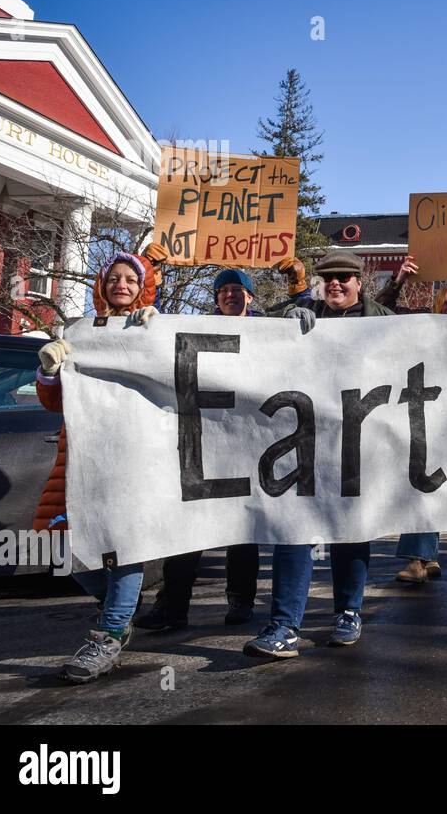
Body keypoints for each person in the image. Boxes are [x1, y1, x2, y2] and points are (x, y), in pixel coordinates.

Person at [136, 266, 305, 631]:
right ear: (216, 298)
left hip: (246, 439)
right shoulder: (195, 328)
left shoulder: (265, 329)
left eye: (238, 289)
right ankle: (173, 605)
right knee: (187, 524)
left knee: (241, 526)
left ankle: (240, 600)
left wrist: (298, 300)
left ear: (250, 297)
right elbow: (159, 345)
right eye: (224, 289)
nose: (231, 294)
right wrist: (152, 300)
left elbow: (298, 340)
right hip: (201, 440)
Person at [244, 252, 394, 658]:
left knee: (350, 528)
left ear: (359, 282)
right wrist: (285, 327)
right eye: (328, 278)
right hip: (305, 440)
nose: (336, 284)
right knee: (295, 529)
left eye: (344, 278)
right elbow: (251, 330)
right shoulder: (302, 312)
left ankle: (348, 611)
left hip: (359, 439)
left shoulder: (382, 318)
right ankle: (284, 625)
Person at [34, 250, 159, 683]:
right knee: (60, 544)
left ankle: (107, 636)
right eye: (114, 278)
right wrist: (50, 370)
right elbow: (54, 402)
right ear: (102, 286)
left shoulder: (154, 328)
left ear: (141, 287)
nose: (121, 285)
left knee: (124, 545)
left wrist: (157, 339)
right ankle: (118, 609)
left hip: (132, 457)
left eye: (130, 279)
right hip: (79, 456)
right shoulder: (79, 334)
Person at [395, 281, 447, 584]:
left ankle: (429, 554)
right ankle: (418, 558)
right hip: (427, 414)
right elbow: (381, 311)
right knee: (422, 483)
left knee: (441, 488)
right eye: (446, 302)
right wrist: (400, 280)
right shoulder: (423, 327)